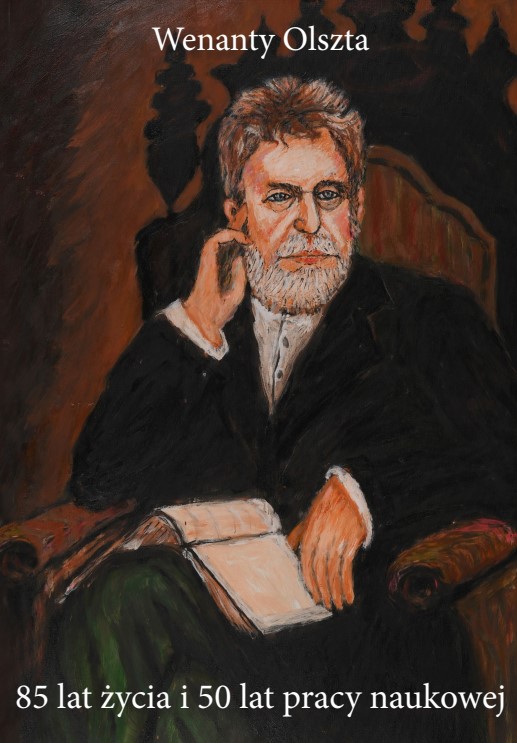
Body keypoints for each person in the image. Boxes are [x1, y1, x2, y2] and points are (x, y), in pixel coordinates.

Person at [39, 77, 517, 742]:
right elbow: (99, 477)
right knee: (176, 686)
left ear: (356, 207)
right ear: (235, 214)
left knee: (134, 609)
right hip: (215, 631)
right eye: (281, 197)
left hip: (368, 653)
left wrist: (368, 493)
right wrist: (194, 327)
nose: (309, 224)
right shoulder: (204, 326)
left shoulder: (430, 317)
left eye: (329, 195)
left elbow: (502, 458)